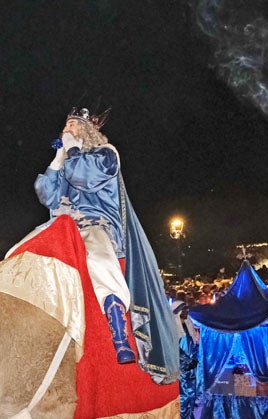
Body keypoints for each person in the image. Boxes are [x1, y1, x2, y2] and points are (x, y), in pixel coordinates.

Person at [31, 107, 179, 382]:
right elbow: (49, 196)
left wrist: (73, 153)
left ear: (87, 130)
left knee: (97, 252)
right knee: (21, 251)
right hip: (63, 226)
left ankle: (118, 329)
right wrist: (56, 160)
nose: (66, 130)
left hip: (96, 224)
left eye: (73, 125)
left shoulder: (106, 155)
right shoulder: (66, 161)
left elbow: (84, 177)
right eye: (65, 125)